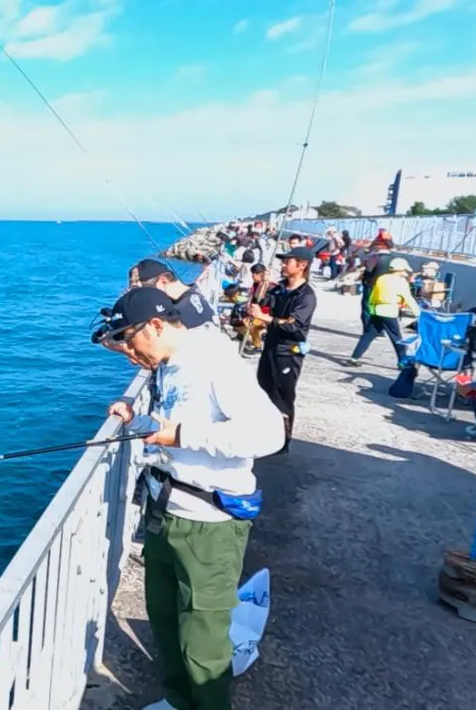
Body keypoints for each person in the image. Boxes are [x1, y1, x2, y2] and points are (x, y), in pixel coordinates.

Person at [102, 287, 285, 710]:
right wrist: (136, 415)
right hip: (165, 512)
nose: (127, 350)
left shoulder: (212, 361)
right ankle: (178, 701)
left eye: (130, 339)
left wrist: (183, 435)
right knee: (165, 621)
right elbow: (174, 421)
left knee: (203, 641)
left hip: (209, 524)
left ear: (157, 325)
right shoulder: (167, 364)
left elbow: (268, 432)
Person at [249, 246, 318, 453]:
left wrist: (264, 318)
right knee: (263, 390)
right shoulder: (279, 288)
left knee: (283, 397)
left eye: (287, 261)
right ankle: (264, 432)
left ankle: (283, 441)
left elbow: (293, 325)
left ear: (302, 265)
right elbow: (260, 304)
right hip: (270, 347)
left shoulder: (306, 296)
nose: (283, 265)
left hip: (288, 353)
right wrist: (261, 286)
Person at [345, 257, 420, 367]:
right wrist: (419, 314)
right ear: (400, 270)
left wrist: (371, 309)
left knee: (368, 335)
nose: (405, 273)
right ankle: (402, 362)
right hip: (390, 312)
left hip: (376, 311)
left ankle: (354, 358)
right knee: (397, 338)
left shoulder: (382, 278)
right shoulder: (401, 282)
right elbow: (409, 299)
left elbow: (373, 295)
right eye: (404, 270)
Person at [131, 258, 216, 329]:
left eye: (145, 290)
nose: (144, 296)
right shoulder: (196, 291)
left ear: (164, 281)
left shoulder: (179, 314)